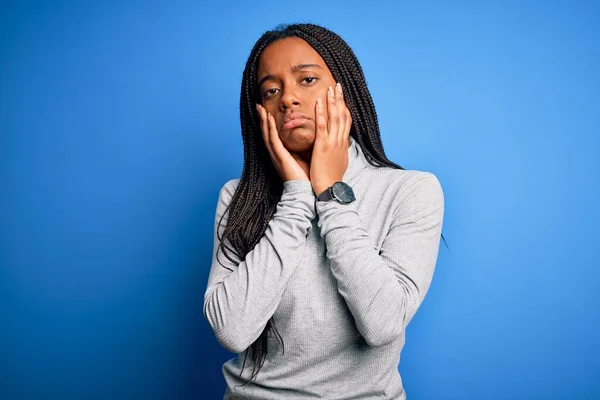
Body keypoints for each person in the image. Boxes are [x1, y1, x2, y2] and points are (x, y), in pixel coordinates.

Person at [203, 23, 445, 399]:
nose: (287, 99)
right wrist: (297, 196)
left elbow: (381, 324)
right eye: (271, 90)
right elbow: (232, 330)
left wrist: (331, 194)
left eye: (308, 79)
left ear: (344, 91)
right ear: (259, 112)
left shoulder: (410, 191)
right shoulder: (238, 197)